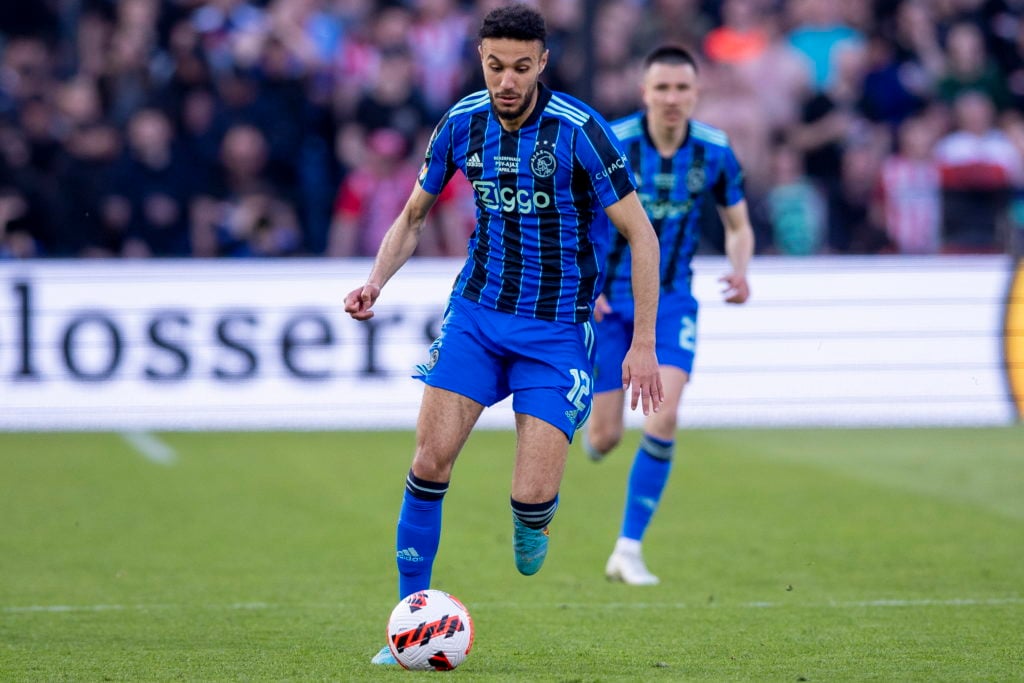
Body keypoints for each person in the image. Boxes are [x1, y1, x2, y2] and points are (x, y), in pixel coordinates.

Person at [343, 4, 664, 665]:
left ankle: (533, 516)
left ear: (542, 63)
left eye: (521, 67)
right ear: (481, 62)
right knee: (429, 461)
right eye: (495, 66)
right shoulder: (461, 122)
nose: (507, 80)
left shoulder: (582, 132)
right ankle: (407, 623)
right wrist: (376, 282)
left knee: (531, 493)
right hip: (478, 318)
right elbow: (412, 215)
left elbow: (642, 234)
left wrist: (642, 343)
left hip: (555, 333)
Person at [583, 45, 755, 585]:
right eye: (662, 88)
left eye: (682, 89)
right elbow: (575, 217)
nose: (672, 98)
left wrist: (741, 267)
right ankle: (597, 438)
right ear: (644, 93)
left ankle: (627, 550)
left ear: (696, 93)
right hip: (609, 302)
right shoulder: (613, 143)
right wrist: (586, 284)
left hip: (672, 298)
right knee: (606, 436)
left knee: (663, 417)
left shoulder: (715, 152)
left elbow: (738, 224)